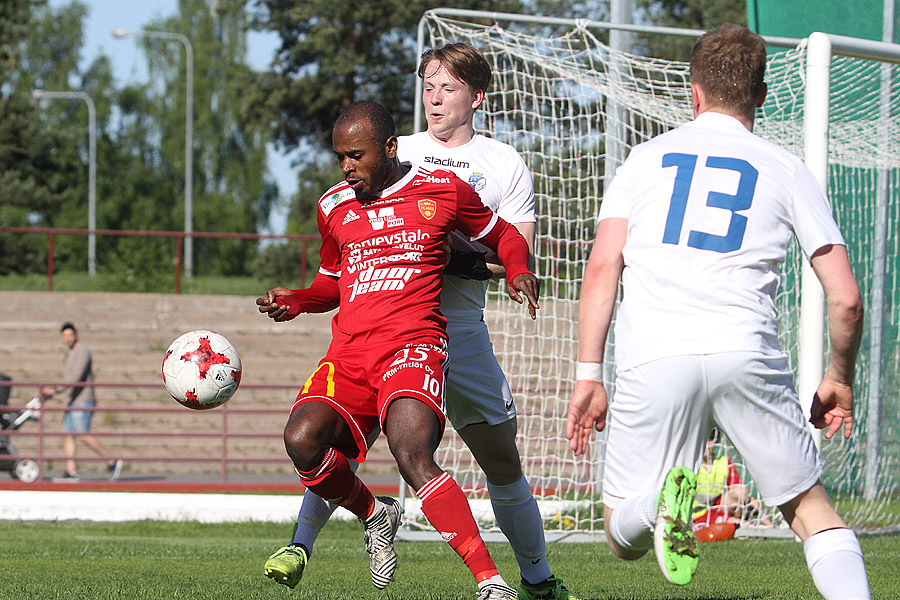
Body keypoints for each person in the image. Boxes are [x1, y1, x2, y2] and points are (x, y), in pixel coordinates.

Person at [263, 43, 578, 600]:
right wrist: (301, 298)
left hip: (454, 328)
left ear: (475, 97)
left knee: (499, 463)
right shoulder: (378, 162)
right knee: (331, 441)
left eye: (448, 87)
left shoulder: (499, 164)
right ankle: (303, 543)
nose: (434, 97)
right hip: (374, 335)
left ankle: (535, 579)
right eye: (427, 86)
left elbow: (507, 244)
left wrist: (501, 265)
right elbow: (337, 275)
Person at [566, 23, 870, 599]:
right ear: (760, 94)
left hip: (653, 353)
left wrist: (589, 374)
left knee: (618, 536)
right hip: (745, 350)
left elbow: (603, 265)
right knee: (810, 511)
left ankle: (657, 506)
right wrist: (837, 379)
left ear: (693, 90)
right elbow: (847, 299)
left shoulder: (644, 159)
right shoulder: (787, 168)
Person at [42, 322, 123, 482]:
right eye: (64, 336)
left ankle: (111, 461)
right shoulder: (69, 354)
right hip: (72, 401)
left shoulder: (83, 351)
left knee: (82, 434)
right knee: (67, 434)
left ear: (76, 334)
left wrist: (56, 389)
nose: (67, 339)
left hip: (84, 399)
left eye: (70, 335)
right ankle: (71, 472)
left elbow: (75, 378)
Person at [692, 429, 772, 538]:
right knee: (735, 523)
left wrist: (768, 523)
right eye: (703, 439)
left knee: (741, 491)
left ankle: (764, 528)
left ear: (716, 441)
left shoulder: (723, 462)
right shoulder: (691, 465)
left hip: (715, 510)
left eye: (710, 439)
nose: (707, 444)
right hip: (695, 516)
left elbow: (745, 494)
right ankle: (747, 527)